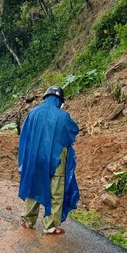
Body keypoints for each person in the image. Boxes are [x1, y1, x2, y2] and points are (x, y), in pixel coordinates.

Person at [18, 86, 80, 235]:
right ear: (59, 100)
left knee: (33, 187)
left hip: (35, 159)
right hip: (56, 160)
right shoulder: (63, 116)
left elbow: (25, 136)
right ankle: (50, 226)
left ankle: (28, 220)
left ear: (45, 97)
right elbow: (72, 133)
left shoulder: (33, 113)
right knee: (56, 192)